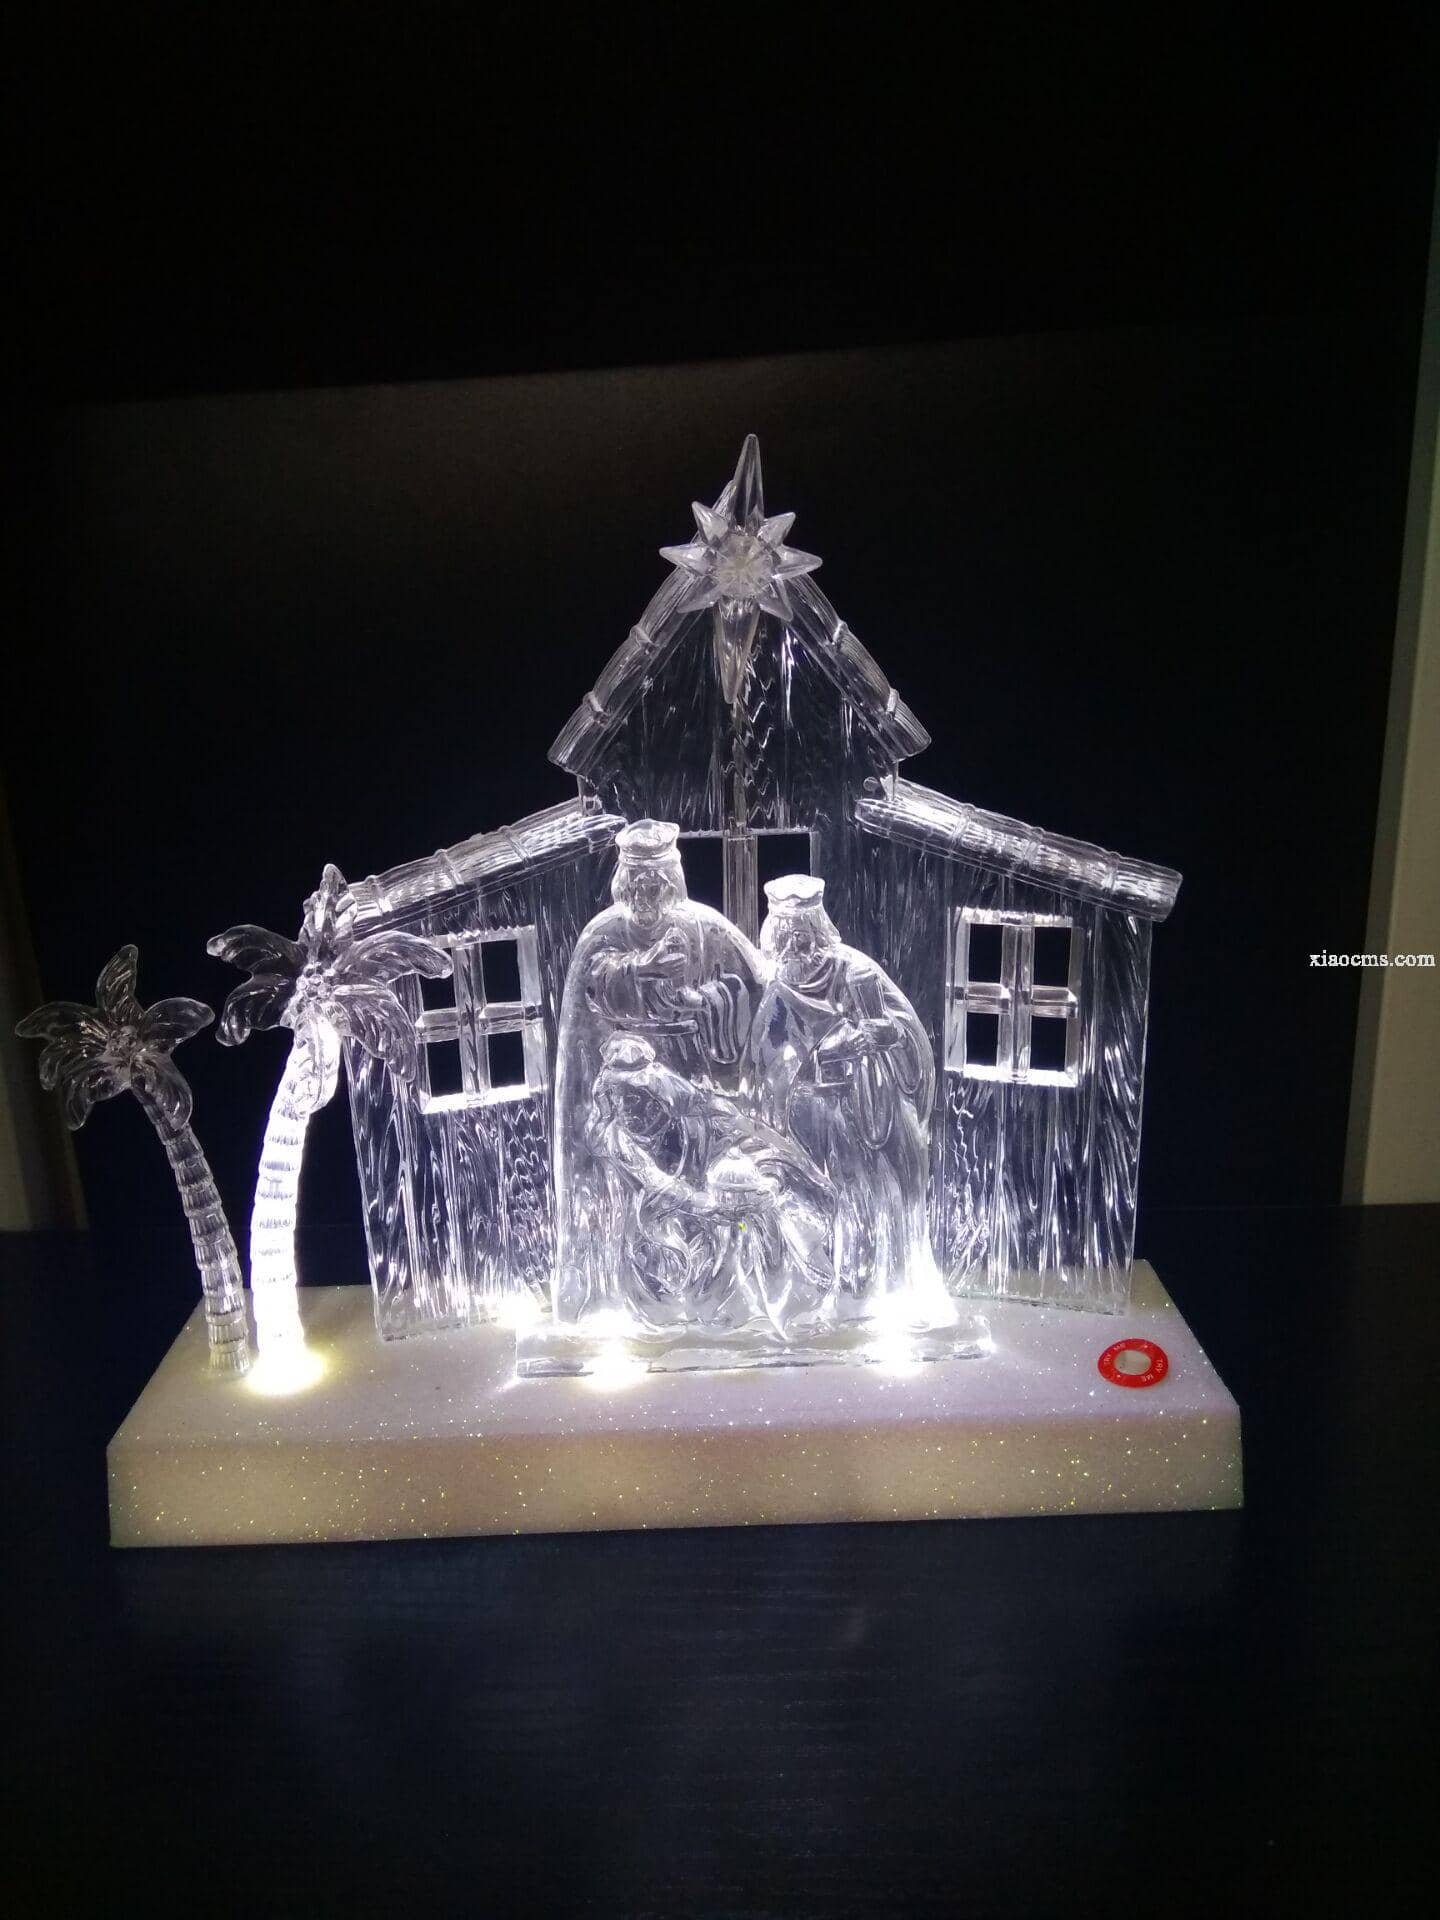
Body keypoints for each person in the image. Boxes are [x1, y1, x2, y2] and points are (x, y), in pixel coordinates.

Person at [554, 820, 765, 1322]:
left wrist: (705, 1002)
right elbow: (592, 996)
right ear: (622, 884)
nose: (645, 895)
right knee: (639, 1191)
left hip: (690, 1073)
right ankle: (644, 1297)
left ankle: (711, 1293)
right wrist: (640, 971)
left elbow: (754, 988)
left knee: (697, 1177)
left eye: (655, 884)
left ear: (672, 882)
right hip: (628, 1088)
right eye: (636, 884)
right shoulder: (602, 934)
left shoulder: (707, 928)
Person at [752, 875, 936, 1301]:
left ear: (820, 934)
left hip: (865, 1112)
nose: (797, 951)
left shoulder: (857, 972)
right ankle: (825, 1285)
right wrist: (821, 1057)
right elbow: (767, 1064)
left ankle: (877, 1284)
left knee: (871, 1194)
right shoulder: (778, 992)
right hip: (810, 1121)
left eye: (804, 939)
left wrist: (882, 1035)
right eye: (786, 941)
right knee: (824, 1199)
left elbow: (904, 1028)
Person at [581, 1035, 836, 1336]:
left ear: (658, 1096)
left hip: (718, 1213)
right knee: (707, 1240)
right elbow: (660, 1185)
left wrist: (771, 1177)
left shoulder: (698, 1118)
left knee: (756, 1220)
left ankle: (770, 1310)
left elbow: (752, 1134)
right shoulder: (618, 1140)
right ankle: (694, 1310)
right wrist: (711, 1205)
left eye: (635, 1099)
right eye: (617, 1100)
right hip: (662, 1225)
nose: (627, 1110)